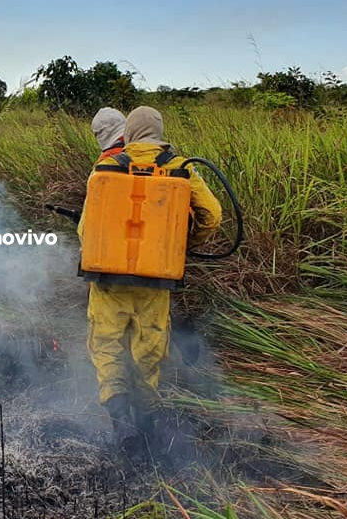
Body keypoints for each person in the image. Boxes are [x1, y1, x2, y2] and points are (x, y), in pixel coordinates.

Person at [79, 106, 223, 458]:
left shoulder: (106, 168)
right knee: (148, 350)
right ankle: (146, 424)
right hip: (157, 281)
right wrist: (180, 246)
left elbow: (85, 229)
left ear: (128, 132)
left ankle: (120, 422)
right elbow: (213, 215)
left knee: (107, 345)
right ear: (159, 130)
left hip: (108, 279)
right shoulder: (181, 168)